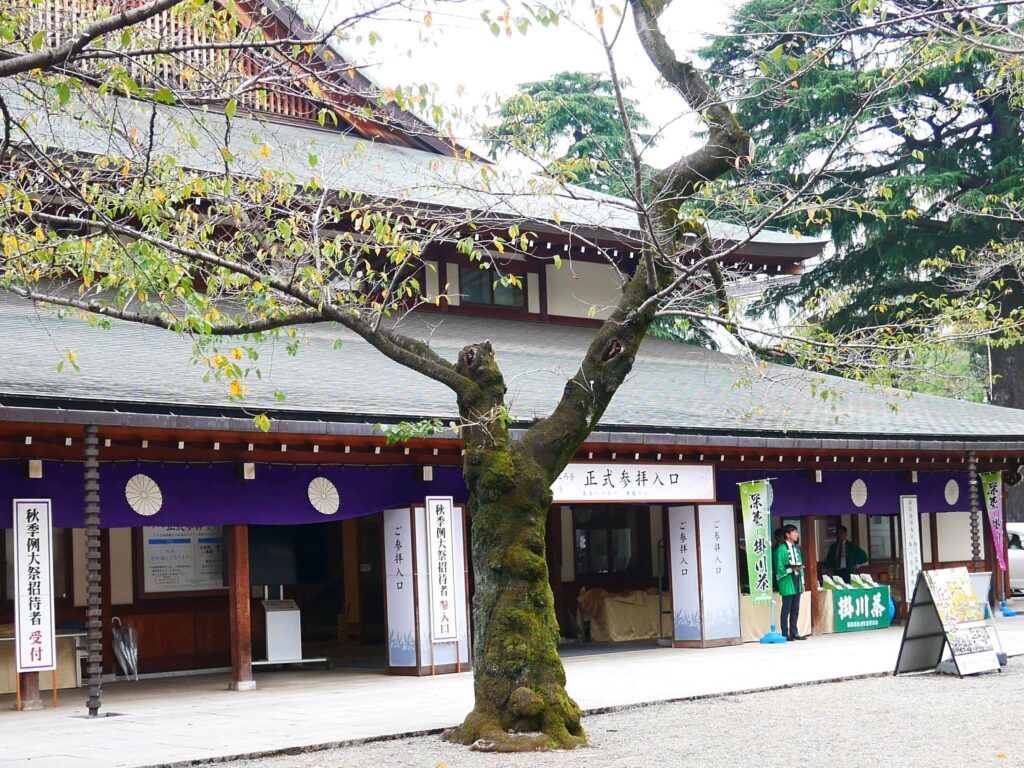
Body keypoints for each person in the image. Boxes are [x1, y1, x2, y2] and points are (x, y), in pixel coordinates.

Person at [774, 524, 806, 640]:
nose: (796, 534)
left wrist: (802, 580)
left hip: (797, 580)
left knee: (795, 608)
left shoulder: (796, 549)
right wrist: (791, 569)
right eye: (794, 532)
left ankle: (794, 632)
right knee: (786, 608)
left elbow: (800, 563)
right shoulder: (781, 549)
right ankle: (785, 633)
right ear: (787, 535)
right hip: (787, 580)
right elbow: (779, 567)